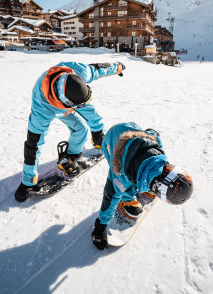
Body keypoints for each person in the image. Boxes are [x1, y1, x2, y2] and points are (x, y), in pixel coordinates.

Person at [14, 61, 125, 202]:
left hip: (67, 98)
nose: (83, 106)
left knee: (81, 128)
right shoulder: (41, 111)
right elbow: (33, 146)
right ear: (68, 103)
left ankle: (74, 154)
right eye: (80, 105)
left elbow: (98, 69)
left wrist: (117, 68)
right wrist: (27, 182)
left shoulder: (79, 72)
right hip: (50, 105)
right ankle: (87, 141)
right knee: (79, 125)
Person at [92, 122, 193, 250]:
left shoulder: (158, 153)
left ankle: (146, 183)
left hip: (130, 128)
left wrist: (153, 132)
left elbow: (152, 137)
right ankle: (127, 200)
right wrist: (100, 226)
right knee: (124, 186)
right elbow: (110, 196)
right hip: (110, 144)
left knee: (135, 177)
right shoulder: (121, 176)